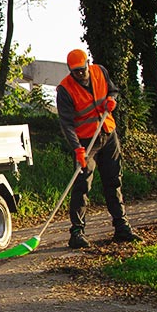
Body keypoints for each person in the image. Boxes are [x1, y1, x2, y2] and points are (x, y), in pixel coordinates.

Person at [56, 49, 142, 248]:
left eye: (82, 69)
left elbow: (112, 90)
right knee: (82, 185)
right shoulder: (65, 90)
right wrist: (77, 149)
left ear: (88, 64)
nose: (80, 74)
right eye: (75, 71)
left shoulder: (100, 71)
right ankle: (77, 232)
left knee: (114, 180)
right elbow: (66, 124)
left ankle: (122, 227)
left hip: (108, 134)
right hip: (87, 143)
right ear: (70, 70)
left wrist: (112, 100)